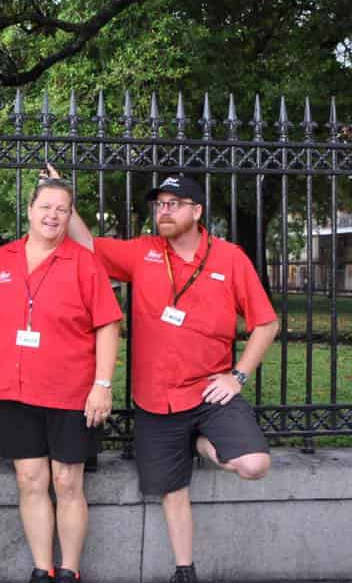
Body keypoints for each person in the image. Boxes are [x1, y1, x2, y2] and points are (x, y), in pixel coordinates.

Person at [51, 166, 279, 583]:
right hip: (156, 399)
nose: (164, 211)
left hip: (211, 393)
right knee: (172, 490)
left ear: (198, 210)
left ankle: (203, 442)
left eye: (174, 204)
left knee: (254, 464)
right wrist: (64, 194)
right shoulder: (144, 251)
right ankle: (184, 570)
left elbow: (266, 323)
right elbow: (85, 243)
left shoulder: (230, 258)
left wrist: (238, 376)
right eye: (159, 205)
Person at [0, 177, 122, 583]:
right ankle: (41, 568)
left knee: (67, 482)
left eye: (61, 209)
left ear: (69, 216)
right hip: (16, 389)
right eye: (45, 207)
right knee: (30, 480)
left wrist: (103, 384)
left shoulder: (84, 262)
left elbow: (108, 324)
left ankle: (69, 571)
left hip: (70, 391)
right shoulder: (2, 259)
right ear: (29, 210)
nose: (52, 215)